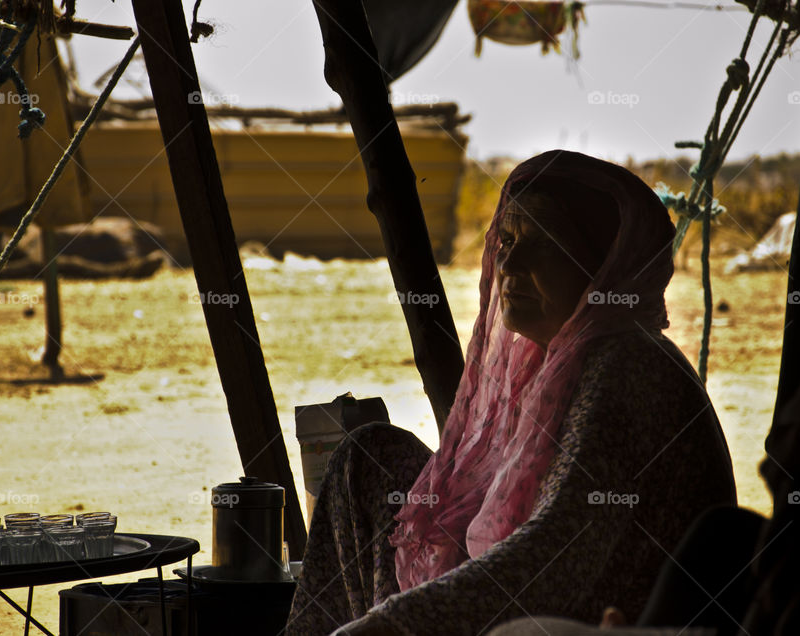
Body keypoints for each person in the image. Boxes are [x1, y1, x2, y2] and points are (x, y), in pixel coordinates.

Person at [285, 150, 737, 636]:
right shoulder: (552, 360)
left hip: (600, 614)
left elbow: (550, 559)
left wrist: (393, 624)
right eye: (507, 238)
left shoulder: (627, 367)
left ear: (601, 268)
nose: (511, 263)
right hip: (561, 588)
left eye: (545, 243)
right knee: (367, 458)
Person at [486, 359, 800, 636]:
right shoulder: (734, 542)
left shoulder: (627, 367)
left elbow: (548, 550)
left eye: (798, 440)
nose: (764, 468)